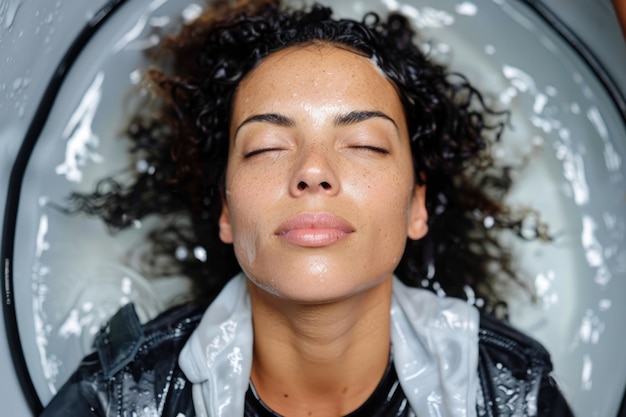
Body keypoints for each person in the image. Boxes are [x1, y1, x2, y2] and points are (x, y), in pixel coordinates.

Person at [41, 0, 574, 415]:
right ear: (226, 211)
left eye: (365, 144)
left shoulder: (513, 391)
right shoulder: (124, 396)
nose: (312, 170)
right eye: (266, 147)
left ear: (416, 206)